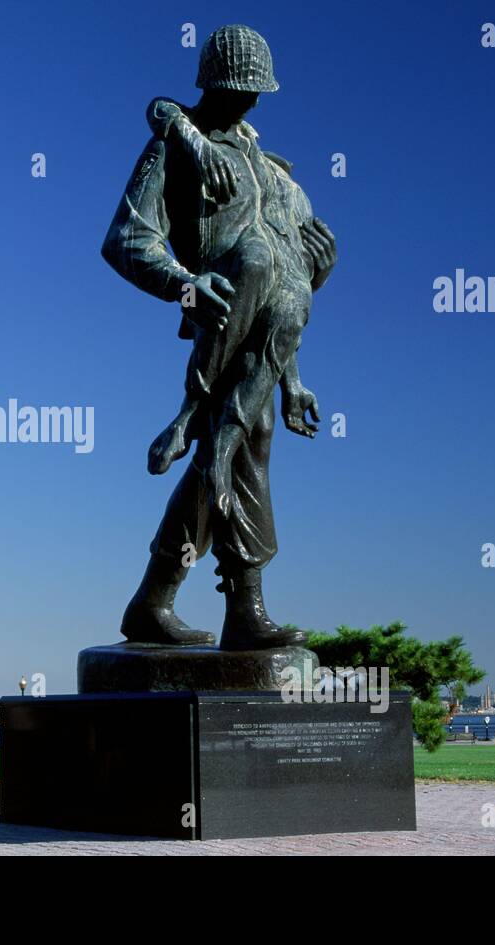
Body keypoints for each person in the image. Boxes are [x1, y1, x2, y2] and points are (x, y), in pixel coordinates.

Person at [102, 25, 337, 650]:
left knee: (235, 450)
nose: (251, 101)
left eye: (257, 91)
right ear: (212, 83)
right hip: (221, 330)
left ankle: (166, 601)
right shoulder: (176, 146)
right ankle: (228, 607)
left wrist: (317, 270)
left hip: (269, 336)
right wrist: (185, 285)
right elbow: (126, 240)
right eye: (240, 89)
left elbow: (288, 278)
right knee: (233, 449)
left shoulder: (270, 168)